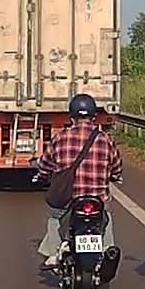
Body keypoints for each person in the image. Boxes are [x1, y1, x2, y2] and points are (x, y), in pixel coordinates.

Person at [36, 93, 123, 269]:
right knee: (105, 219)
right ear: (93, 117)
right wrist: (114, 175)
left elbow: (45, 164)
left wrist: (42, 175)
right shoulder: (105, 139)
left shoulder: (61, 138)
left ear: (72, 117)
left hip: (69, 201)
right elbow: (116, 166)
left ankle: (54, 253)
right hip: (97, 200)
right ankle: (107, 249)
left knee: (55, 217)